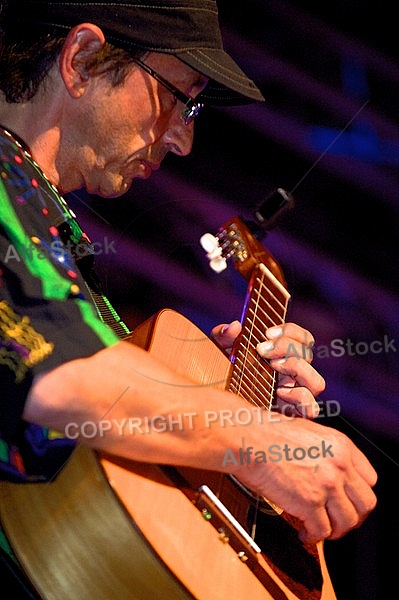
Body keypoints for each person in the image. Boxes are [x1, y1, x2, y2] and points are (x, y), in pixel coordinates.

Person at [0, 0, 376, 597]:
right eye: (182, 97)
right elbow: (59, 380)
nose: (183, 140)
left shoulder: (52, 236)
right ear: (82, 59)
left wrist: (227, 403)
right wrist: (256, 441)